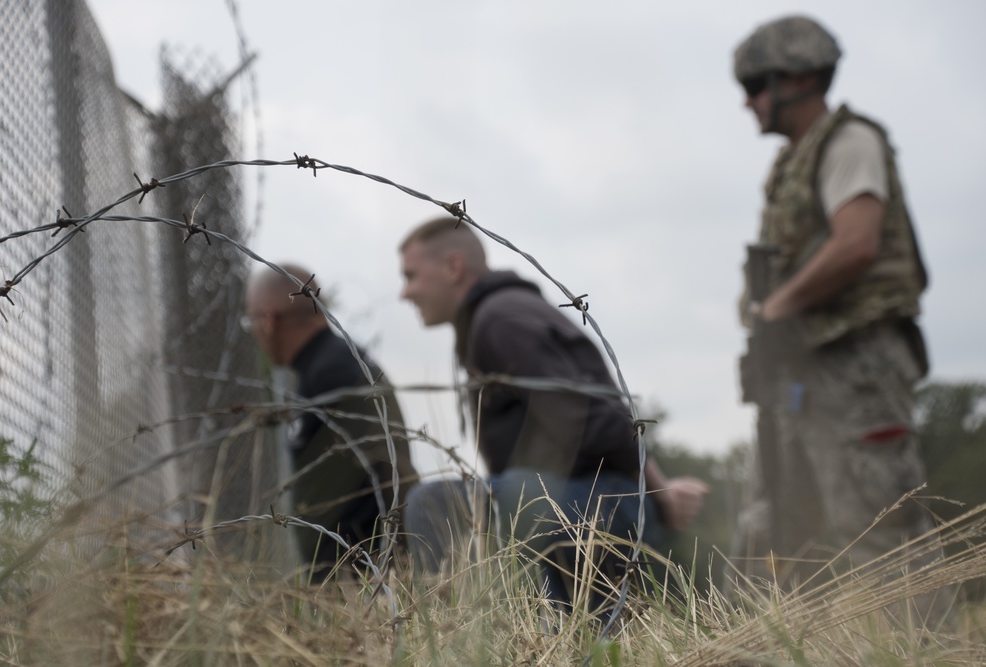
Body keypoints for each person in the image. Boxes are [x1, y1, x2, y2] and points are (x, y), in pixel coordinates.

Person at [398, 217, 708, 608]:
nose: (405, 293)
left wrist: (659, 493)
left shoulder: (500, 320)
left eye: (411, 276)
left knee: (435, 502)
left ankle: (448, 640)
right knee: (587, 633)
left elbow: (594, 422)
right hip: (595, 502)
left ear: (453, 267)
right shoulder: (502, 313)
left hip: (600, 503)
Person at [730, 16, 938, 587]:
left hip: (857, 364)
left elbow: (856, 242)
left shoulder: (850, 142)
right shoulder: (791, 163)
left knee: (882, 531)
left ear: (796, 79)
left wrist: (776, 307)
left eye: (754, 88)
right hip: (802, 371)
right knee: (777, 531)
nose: (747, 104)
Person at [243, 263, 418, 582]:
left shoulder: (325, 376)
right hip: (382, 557)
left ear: (268, 320)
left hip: (357, 567)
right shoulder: (343, 359)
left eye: (250, 319)